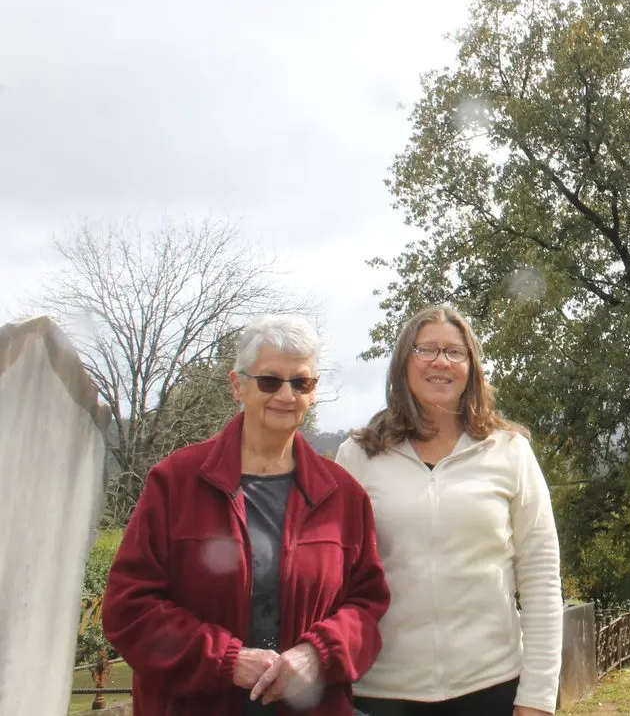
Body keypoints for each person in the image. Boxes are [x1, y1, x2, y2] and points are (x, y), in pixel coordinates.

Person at [103, 315, 391, 716]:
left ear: (313, 392)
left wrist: (317, 654)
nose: (286, 395)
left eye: (300, 382)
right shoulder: (175, 483)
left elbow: (366, 606)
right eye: (270, 380)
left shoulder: (343, 496)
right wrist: (228, 660)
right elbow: (129, 607)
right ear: (237, 385)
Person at [336, 304, 562, 716]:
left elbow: (541, 576)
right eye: (426, 350)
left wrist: (539, 696)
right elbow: (333, 577)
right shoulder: (358, 457)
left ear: (471, 366)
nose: (441, 361)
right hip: (381, 693)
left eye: (454, 352)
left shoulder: (509, 451)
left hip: (491, 688)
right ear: (404, 363)